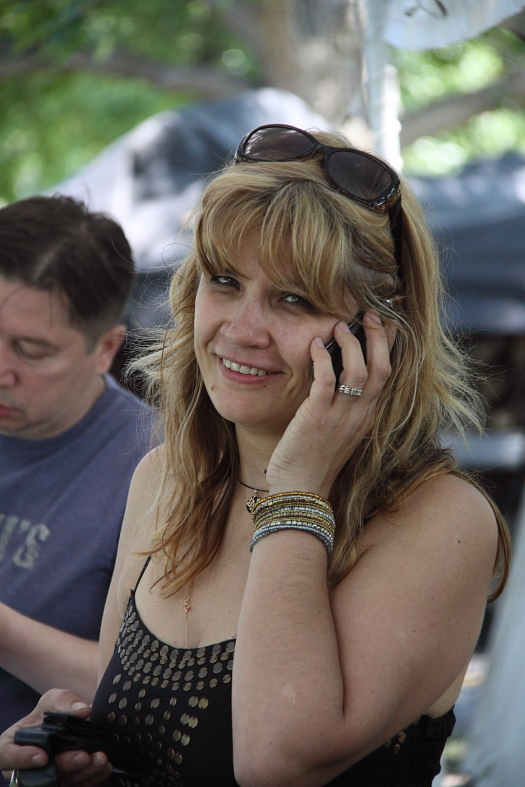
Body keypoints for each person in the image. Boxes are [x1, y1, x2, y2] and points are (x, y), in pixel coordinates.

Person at [0, 125, 510, 787]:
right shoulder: (165, 478)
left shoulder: (441, 521)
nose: (241, 330)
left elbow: (277, 759)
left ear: (378, 334)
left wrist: (296, 488)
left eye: (293, 299)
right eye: (224, 281)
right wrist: (73, 750)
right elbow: (135, 719)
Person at [0, 196, 153, 755]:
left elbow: (154, 692)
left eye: (32, 351)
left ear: (105, 348)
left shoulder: (155, 468)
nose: (2, 370)